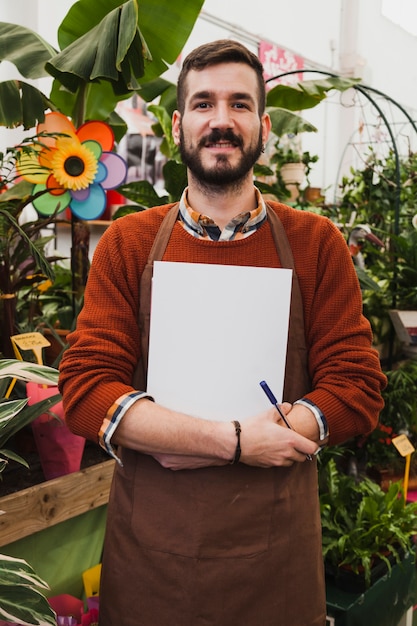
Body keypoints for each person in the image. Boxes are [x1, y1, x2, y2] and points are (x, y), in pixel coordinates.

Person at [59, 39, 386, 626]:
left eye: (239, 104)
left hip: (276, 569)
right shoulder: (129, 244)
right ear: (180, 123)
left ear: (262, 126)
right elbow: (85, 390)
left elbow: (357, 385)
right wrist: (233, 441)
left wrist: (292, 427)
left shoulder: (315, 245)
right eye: (204, 104)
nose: (221, 121)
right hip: (152, 564)